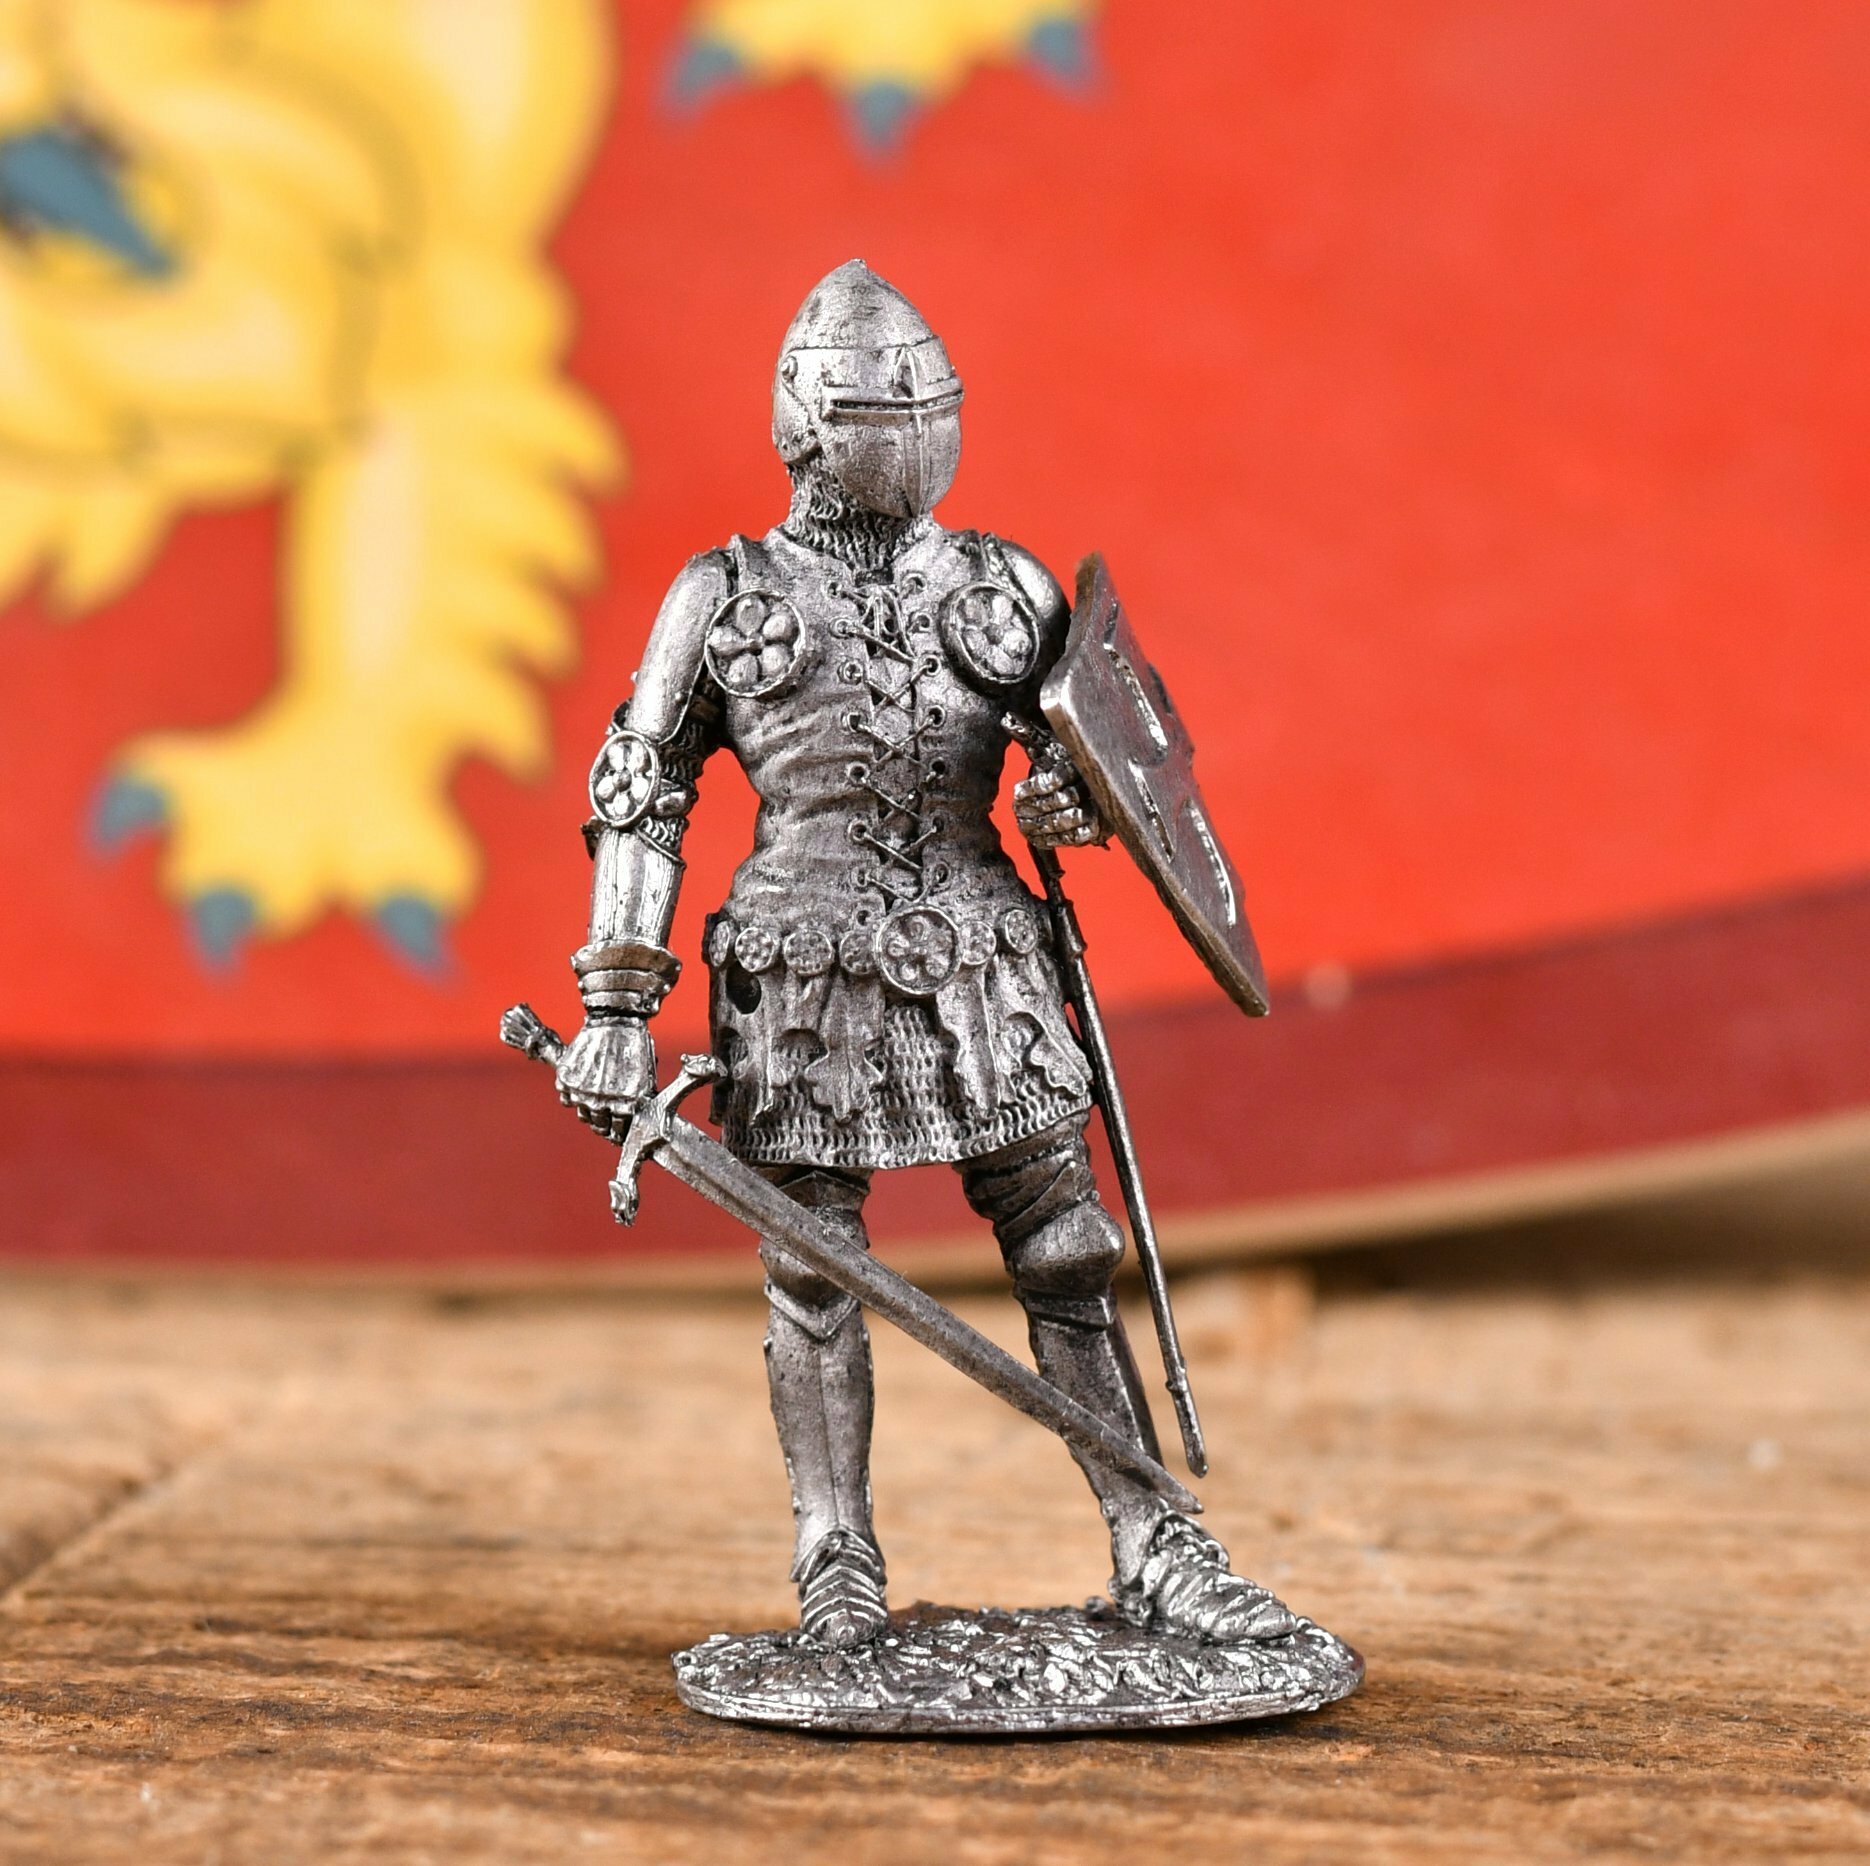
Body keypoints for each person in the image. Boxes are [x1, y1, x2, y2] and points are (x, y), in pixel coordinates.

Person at [555, 260, 1296, 1650]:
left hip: (983, 958)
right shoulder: (723, 595)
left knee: (1068, 1246)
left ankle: (1156, 1539)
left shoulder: (1001, 585)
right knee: (812, 1265)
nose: (906, 439)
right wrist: (615, 1003)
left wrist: (1068, 801)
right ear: (804, 423)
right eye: (874, 415)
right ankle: (834, 1552)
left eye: (926, 411)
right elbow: (641, 796)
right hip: (799, 968)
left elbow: (1098, 757)